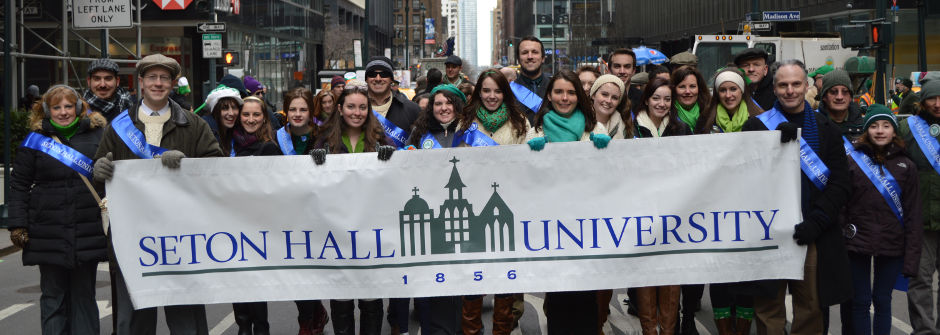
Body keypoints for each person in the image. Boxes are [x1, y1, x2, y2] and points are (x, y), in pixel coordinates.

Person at [92, 53, 221, 335]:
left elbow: (216, 170)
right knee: (133, 320)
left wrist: (186, 164)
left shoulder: (193, 124)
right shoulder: (119, 126)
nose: (158, 83)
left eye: (164, 78)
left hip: (182, 239)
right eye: (152, 77)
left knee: (187, 321)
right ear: (141, 82)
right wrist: (99, 170)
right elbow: (101, 174)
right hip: (133, 239)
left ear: (173, 83)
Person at [741, 59, 851, 335]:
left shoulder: (827, 130)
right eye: (783, 85)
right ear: (775, 88)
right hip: (770, 231)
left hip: (812, 232)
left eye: (795, 84)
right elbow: (745, 181)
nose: (789, 90)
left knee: (810, 309)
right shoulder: (756, 127)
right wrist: (774, 148)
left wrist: (819, 220)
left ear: (807, 86)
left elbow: (840, 184)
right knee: (768, 308)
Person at [8, 85, 107, 335]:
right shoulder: (34, 142)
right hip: (47, 230)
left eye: (67, 106)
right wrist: (18, 224)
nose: (63, 112)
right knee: (53, 297)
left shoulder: (98, 135)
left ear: (78, 108)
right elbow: (19, 185)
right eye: (56, 107)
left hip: (87, 228)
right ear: (46, 111)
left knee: (84, 297)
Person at [527, 70, 610, 335]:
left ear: (579, 95)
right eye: (559, 92)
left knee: (586, 296)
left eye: (571, 92)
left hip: (586, 225)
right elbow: (525, 179)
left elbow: (608, 177)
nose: (565, 98)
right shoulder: (536, 129)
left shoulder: (595, 127)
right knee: (559, 296)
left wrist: (605, 150)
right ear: (549, 96)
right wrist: (530, 153)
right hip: (552, 228)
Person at [309, 85, 396, 335]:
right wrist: (315, 160)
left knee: (370, 299)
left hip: (371, 232)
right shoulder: (325, 139)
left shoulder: (380, 138)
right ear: (339, 109)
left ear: (368, 111)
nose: (356, 112)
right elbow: (313, 186)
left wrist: (391, 159)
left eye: (362, 107)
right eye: (350, 107)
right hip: (338, 232)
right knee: (342, 299)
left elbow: (395, 181)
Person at [841, 105, 922, 335]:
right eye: (874, 126)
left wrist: (911, 257)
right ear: (866, 130)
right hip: (857, 241)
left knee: (883, 300)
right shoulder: (852, 161)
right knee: (860, 301)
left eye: (886, 125)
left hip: (892, 242)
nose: (880, 130)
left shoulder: (907, 166)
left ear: (894, 131)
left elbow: (914, 214)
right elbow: (843, 204)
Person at [399, 85, 468, 334]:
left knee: (462, 291)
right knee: (433, 290)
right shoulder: (419, 133)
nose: (443, 108)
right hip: (432, 222)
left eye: (449, 103)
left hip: (461, 218)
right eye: (438, 103)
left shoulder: (471, 133)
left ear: (458, 106)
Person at [228, 97, 278, 334]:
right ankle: (243, 327)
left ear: (264, 118)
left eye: (256, 115)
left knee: (256, 284)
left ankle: (260, 329)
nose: (250, 119)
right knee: (237, 282)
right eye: (246, 114)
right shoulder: (230, 143)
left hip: (259, 225)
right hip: (232, 223)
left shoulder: (269, 147)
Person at [900, 76, 940, 335]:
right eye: (932, 99)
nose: (937, 104)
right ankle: (924, 331)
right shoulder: (908, 129)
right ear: (922, 101)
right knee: (920, 280)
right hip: (921, 217)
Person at [365, 56, 420, 148]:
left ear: (391, 79)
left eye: (384, 74)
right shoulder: (354, 110)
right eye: (372, 74)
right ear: (366, 79)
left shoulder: (412, 109)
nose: (378, 78)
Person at [698, 68, 763, 134]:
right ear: (717, 93)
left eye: (733, 89)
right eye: (723, 90)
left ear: (742, 90)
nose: (728, 95)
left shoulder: (759, 118)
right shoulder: (705, 118)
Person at [83, 58, 134, 122]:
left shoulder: (131, 110)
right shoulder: (79, 110)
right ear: (88, 81)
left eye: (108, 79)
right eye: (97, 79)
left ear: (117, 81)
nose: (102, 85)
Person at [818, 69, 864, 139]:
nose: (839, 97)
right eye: (833, 92)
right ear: (824, 97)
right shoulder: (813, 124)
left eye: (845, 92)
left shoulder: (864, 126)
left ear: (850, 97)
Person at [513, 36, 550, 122]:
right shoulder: (508, 90)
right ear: (518, 59)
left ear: (543, 58)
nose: (530, 56)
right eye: (525, 52)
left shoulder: (555, 87)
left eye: (535, 52)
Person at [201, 85, 244, 156]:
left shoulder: (236, 133)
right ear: (215, 111)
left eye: (234, 108)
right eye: (225, 108)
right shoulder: (205, 135)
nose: (231, 113)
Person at [590, 74, 632, 139]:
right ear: (593, 95)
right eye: (604, 94)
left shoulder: (624, 126)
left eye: (614, 98)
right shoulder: (579, 121)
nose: (609, 101)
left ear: (619, 102)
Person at [671, 65, 710, 134]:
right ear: (674, 89)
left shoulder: (711, 113)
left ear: (699, 88)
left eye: (692, 86)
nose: (687, 91)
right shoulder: (667, 116)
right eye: (682, 87)